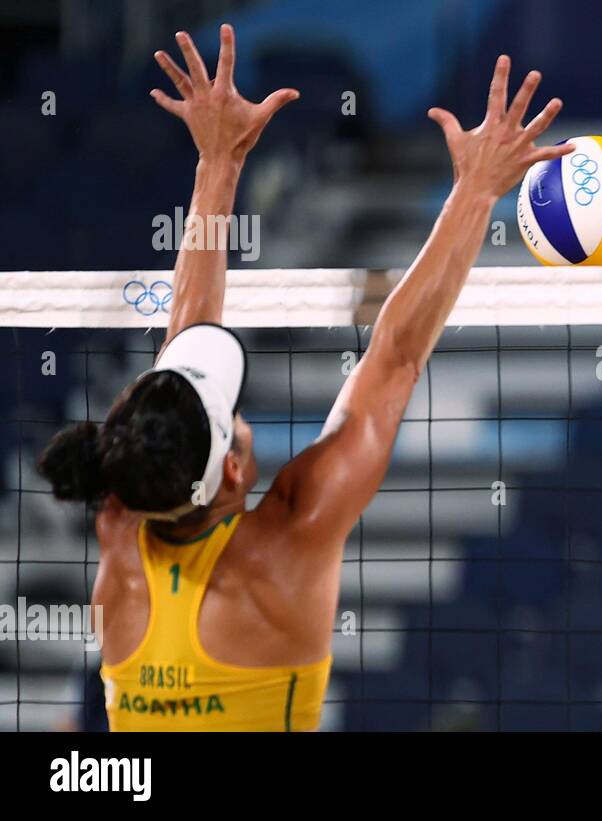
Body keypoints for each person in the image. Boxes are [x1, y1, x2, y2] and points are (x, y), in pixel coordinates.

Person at [36, 24, 572, 730]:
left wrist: (217, 163)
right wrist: (476, 191)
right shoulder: (286, 544)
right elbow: (395, 356)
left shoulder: (122, 525)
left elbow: (184, 347)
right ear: (233, 470)